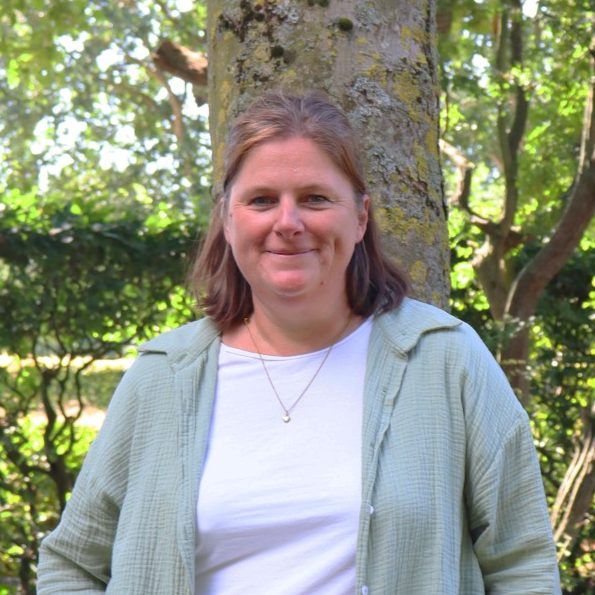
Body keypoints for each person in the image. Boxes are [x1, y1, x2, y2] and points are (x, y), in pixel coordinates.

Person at [37, 91, 560, 594]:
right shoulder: (162, 377)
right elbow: (72, 565)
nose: (288, 223)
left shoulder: (448, 361)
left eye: (314, 198)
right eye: (262, 200)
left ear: (360, 217)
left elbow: (524, 567)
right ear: (227, 219)